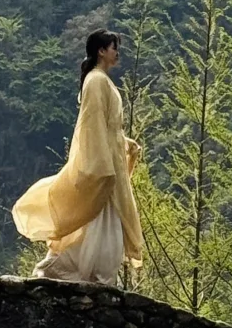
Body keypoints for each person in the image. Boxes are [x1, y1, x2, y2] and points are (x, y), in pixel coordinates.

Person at [12, 28, 143, 285]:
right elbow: (92, 126)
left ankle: (97, 274)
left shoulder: (101, 81)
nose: (117, 53)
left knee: (103, 222)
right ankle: (81, 270)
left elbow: (106, 127)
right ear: (101, 51)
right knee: (96, 220)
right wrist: (101, 166)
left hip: (110, 161)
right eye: (113, 47)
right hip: (104, 165)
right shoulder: (96, 81)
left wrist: (124, 143)